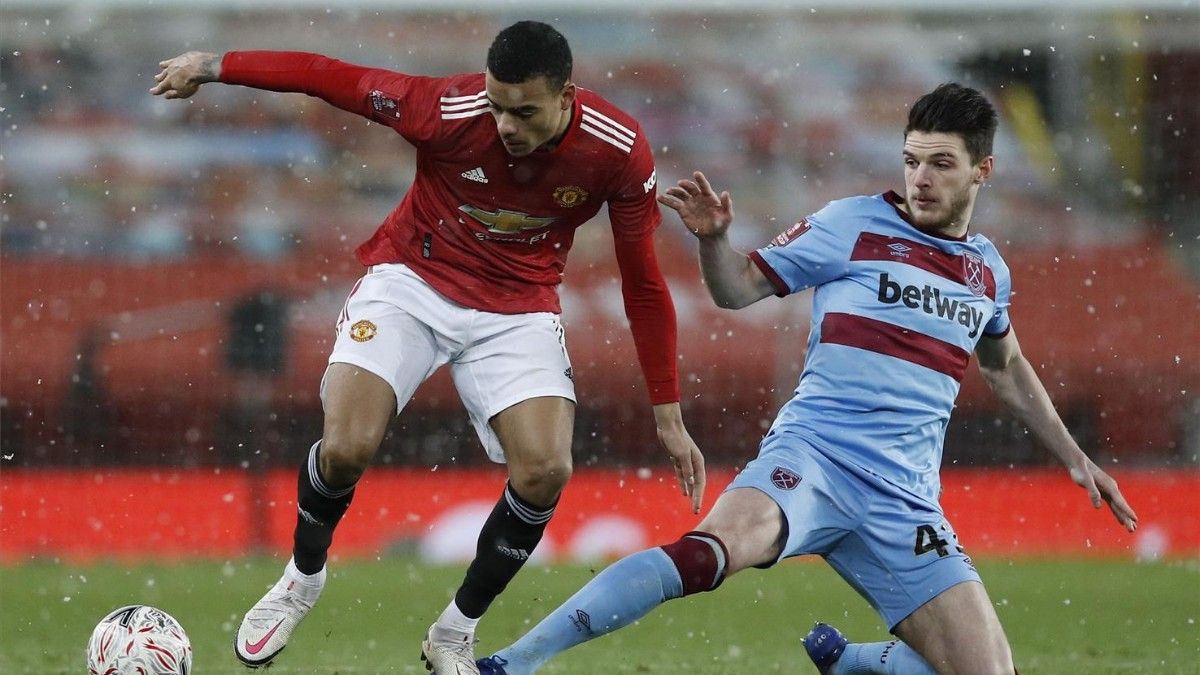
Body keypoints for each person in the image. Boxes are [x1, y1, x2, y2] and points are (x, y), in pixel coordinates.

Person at [468, 83, 1139, 675]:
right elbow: (736, 290)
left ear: (983, 170)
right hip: (813, 459)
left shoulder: (988, 270)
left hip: (906, 499)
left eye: (941, 163)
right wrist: (712, 241)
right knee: (707, 556)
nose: (921, 178)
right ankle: (511, 662)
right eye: (912, 161)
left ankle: (851, 660)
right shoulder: (851, 224)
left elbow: (1007, 363)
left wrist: (1076, 455)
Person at [150, 20, 706, 675]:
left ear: (566, 95)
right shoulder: (446, 110)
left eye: (524, 111)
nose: (505, 124)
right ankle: (301, 577)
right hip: (413, 281)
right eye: (499, 106)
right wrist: (213, 64)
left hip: (518, 306)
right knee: (348, 445)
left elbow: (642, 277)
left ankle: (454, 630)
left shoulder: (617, 150)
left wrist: (667, 412)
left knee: (545, 469)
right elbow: (331, 78)